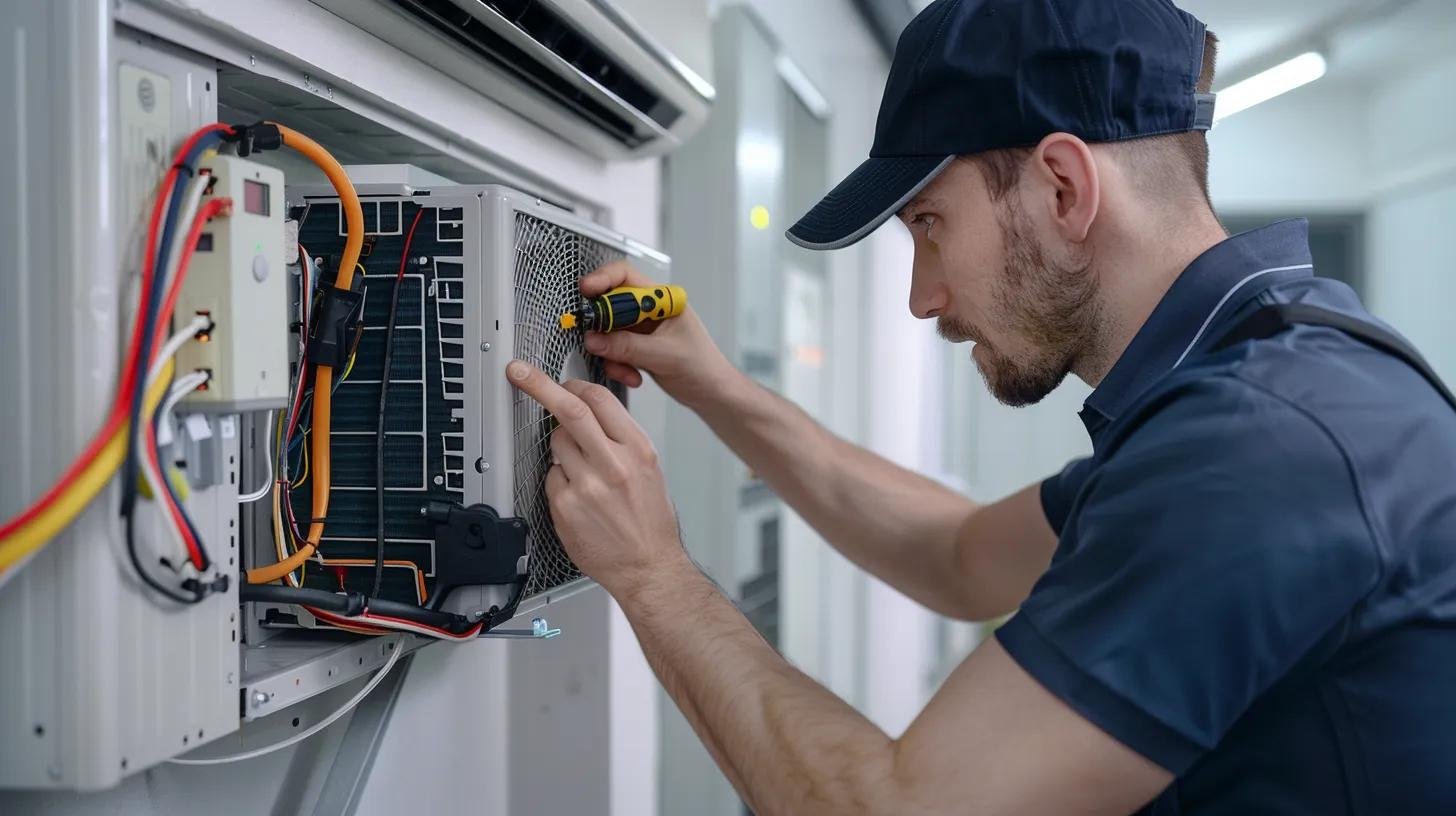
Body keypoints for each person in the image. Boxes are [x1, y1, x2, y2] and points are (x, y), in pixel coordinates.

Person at [506, 0, 1456, 813]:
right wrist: (714, 384)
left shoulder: (1258, 445)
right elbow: (958, 556)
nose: (922, 297)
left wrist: (654, 575)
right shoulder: (1267, 367)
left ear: (1065, 186)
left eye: (928, 224)